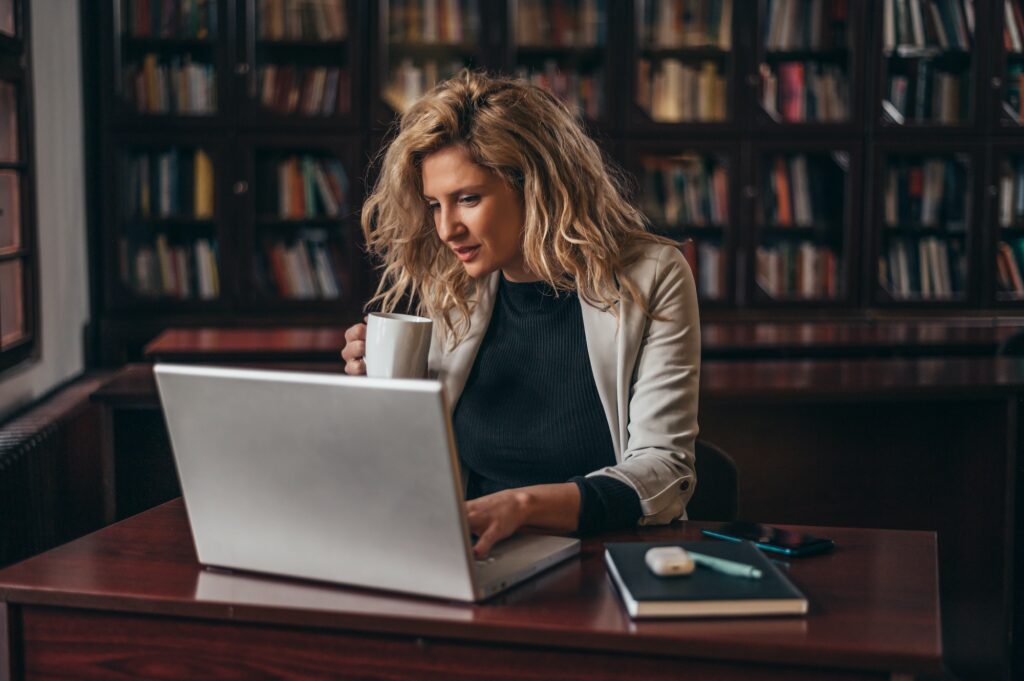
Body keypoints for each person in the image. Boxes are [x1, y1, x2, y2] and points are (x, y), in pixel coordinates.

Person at [342, 69, 699, 557]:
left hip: (604, 555)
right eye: (433, 205)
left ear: (536, 186)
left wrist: (524, 506)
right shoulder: (453, 289)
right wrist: (388, 396)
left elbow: (665, 469)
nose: (446, 229)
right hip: (469, 552)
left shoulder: (652, 275)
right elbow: (413, 466)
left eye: (468, 199)